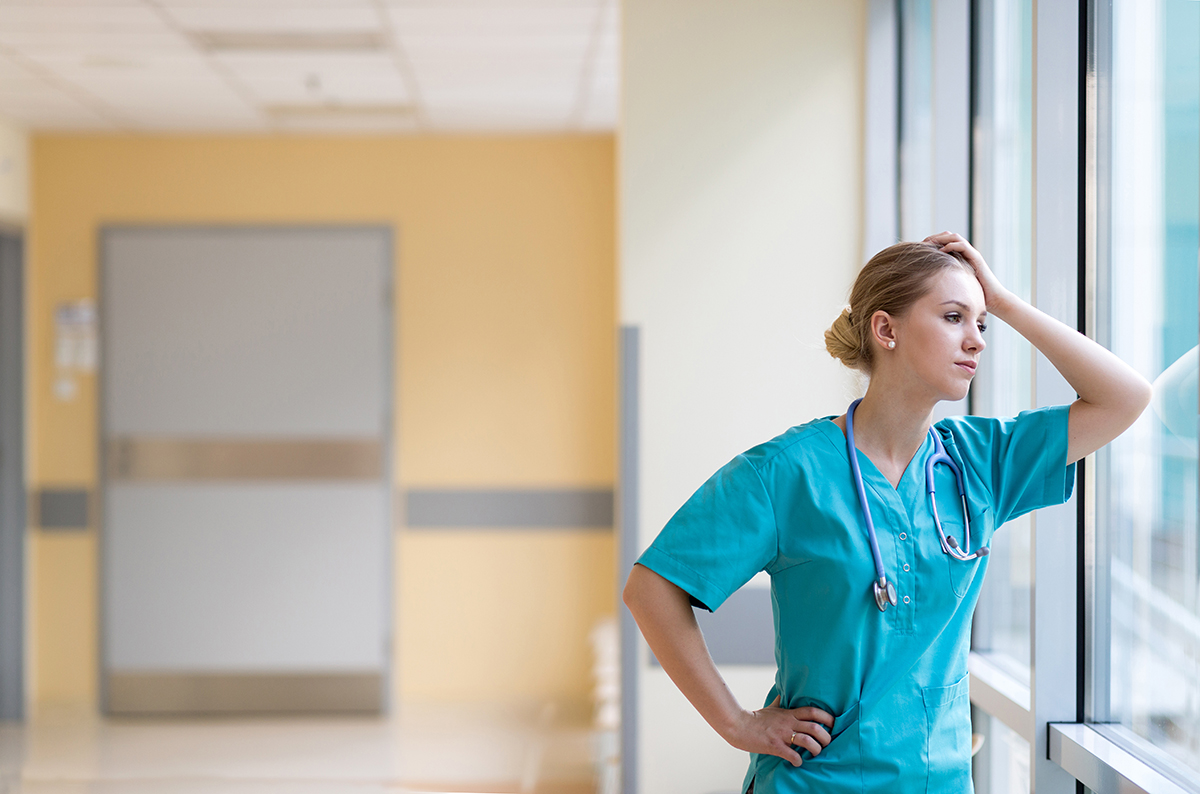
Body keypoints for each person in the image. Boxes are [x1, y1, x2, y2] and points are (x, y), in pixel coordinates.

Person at [622, 232, 1152, 794]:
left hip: (938, 780)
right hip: (813, 781)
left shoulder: (981, 462)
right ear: (886, 329)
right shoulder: (785, 472)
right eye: (953, 317)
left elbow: (1125, 397)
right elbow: (650, 588)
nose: (976, 340)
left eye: (982, 324)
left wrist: (1005, 302)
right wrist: (737, 723)